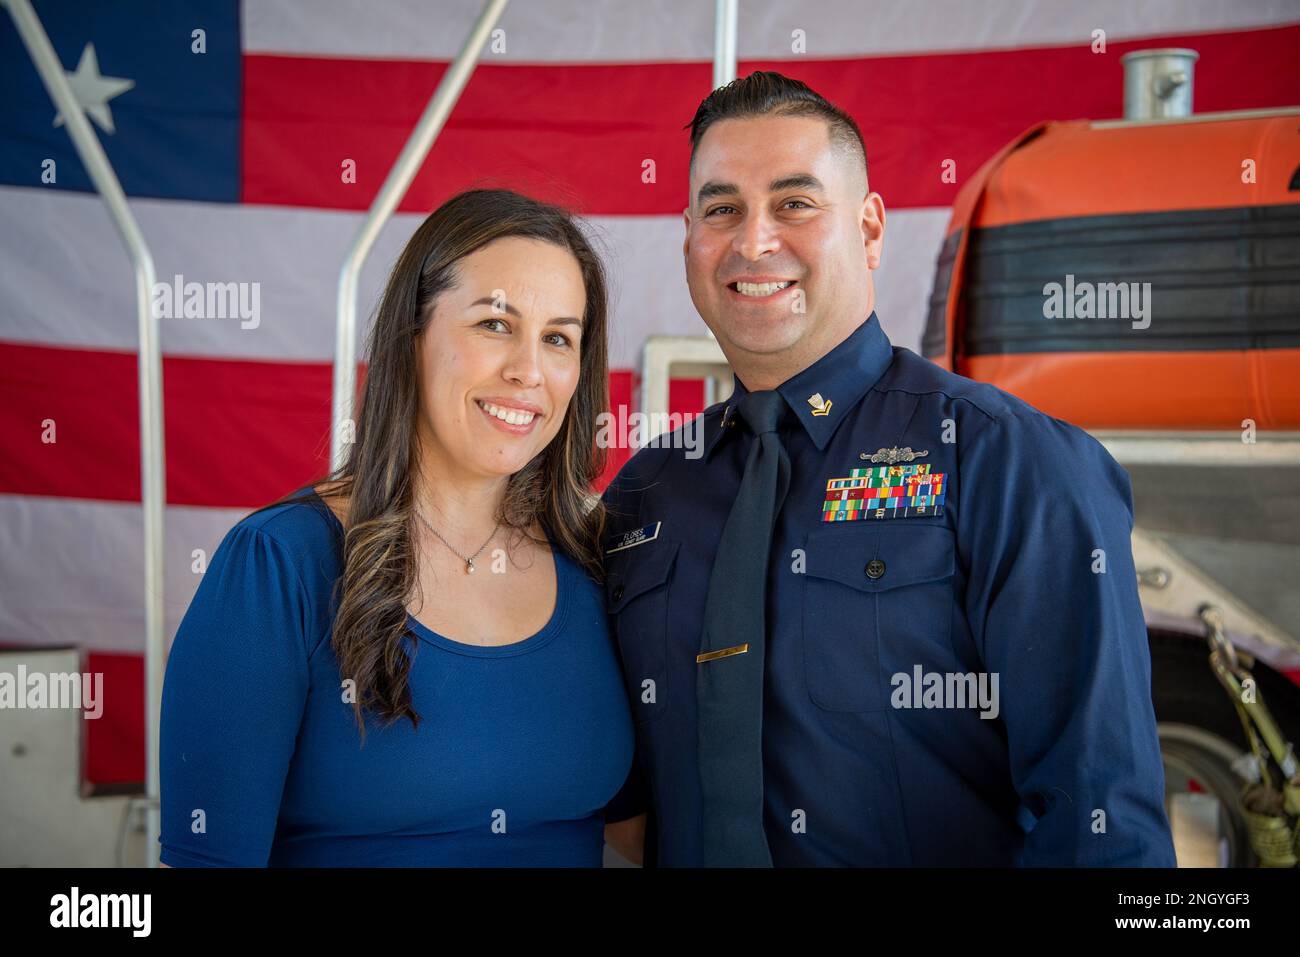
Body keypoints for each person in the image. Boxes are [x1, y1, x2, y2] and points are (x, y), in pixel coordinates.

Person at [598, 72, 1178, 866]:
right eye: (721, 207)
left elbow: (1100, 821)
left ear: (870, 230)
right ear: (689, 237)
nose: (753, 240)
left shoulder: (1010, 462)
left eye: (795, 203)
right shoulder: (644, 494)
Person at [159, 188, 638, 866]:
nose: (528, 370)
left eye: (558, 338)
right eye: (495, 324)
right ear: (412, 336)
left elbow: (641, 826)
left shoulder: (597, 564)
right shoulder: (278, 567)